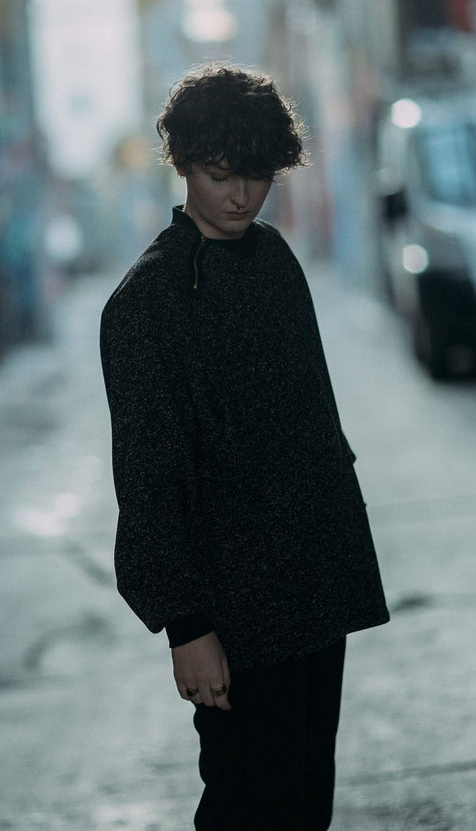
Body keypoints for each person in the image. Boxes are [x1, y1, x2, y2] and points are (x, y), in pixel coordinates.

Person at [100, 63, 389, 830]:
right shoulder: (147, 302)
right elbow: (150, 478)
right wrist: (186, 625)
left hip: (315, 582)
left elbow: (313, 422)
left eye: (256, 177)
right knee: (247, 808)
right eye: (220, 174)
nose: (239, 196)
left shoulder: (274, 259)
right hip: (233, 606)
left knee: (305, 803)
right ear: (184, 162)